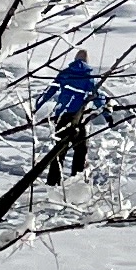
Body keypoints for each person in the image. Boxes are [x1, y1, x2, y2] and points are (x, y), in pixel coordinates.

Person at [46, 50, 101, 185]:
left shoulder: (65, 73)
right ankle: (77, 181)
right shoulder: (89, 77)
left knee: (58, 151)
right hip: (78, 117)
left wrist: (36, 107)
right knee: (81, 150)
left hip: (62, 116)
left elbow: (50, 90)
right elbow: (98, 97)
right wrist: (106, 112)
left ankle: (53, 182)